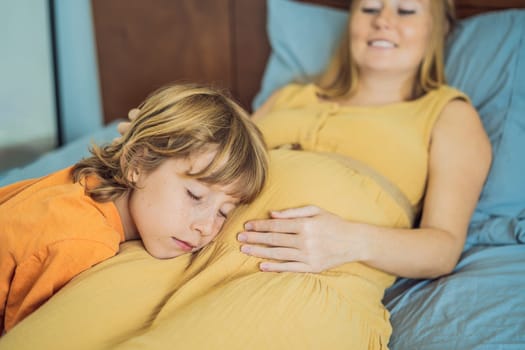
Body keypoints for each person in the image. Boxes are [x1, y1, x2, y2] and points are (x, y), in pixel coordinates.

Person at [0, 0, 491, 349]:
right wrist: (151, 137)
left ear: (438, 28)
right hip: (184, 249)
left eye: (406, 10)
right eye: (369, 8)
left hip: (304, 274)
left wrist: (350, 241)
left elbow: (444, 245)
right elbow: (215, 160)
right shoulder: (290, 97)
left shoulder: (447, 114)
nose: (384, 18)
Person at [0, 83, 268, 334]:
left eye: (224, 212)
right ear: (137, 164)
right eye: (195, 195)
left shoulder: (86, 181)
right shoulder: (83, 242)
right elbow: (26, 338)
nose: (206, 228)